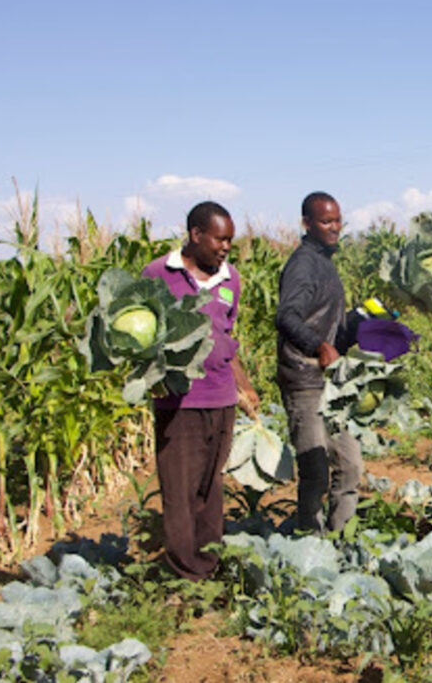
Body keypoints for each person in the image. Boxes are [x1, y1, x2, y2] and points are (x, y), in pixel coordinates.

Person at [141, 201, 259, 581]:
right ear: (195, 235)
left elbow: (226, 335)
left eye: (230, 241)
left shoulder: (231, 278)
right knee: (180, 492)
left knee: (210, 489)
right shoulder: (159, 274)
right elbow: (136, 335)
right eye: (220, 239)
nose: (226, 247)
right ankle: (184, 574)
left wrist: (243, 385)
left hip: (221, 398)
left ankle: (208, 566)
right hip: (179, 401)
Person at [275, 191, 362, 533]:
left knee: (350, 464)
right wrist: (318, 345)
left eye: (338, 220)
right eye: (326, 221)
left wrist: (363, 322)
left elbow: (324, 321)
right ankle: (310, 539)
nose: (334, 227)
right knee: (315, 471)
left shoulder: (324, 262)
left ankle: (342, 536)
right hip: (305, 379)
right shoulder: (303, 264)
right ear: (307, 224)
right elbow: (286, 317)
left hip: (331, 383)